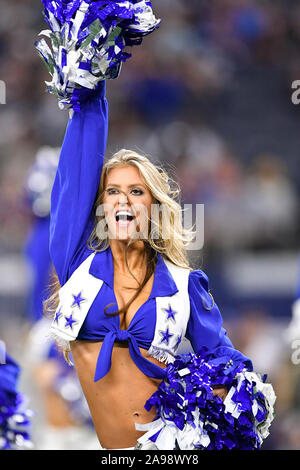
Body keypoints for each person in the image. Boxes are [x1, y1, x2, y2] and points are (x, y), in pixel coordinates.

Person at [38, 1, 275, 451]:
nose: (123, 200)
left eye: (136, 191)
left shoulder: (186, 287)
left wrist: (242, 403)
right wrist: (93, 78)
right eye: (112, 192)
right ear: (101, 208)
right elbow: (79, 164)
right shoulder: (77, 267)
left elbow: (228, 362)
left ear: (154, 207)